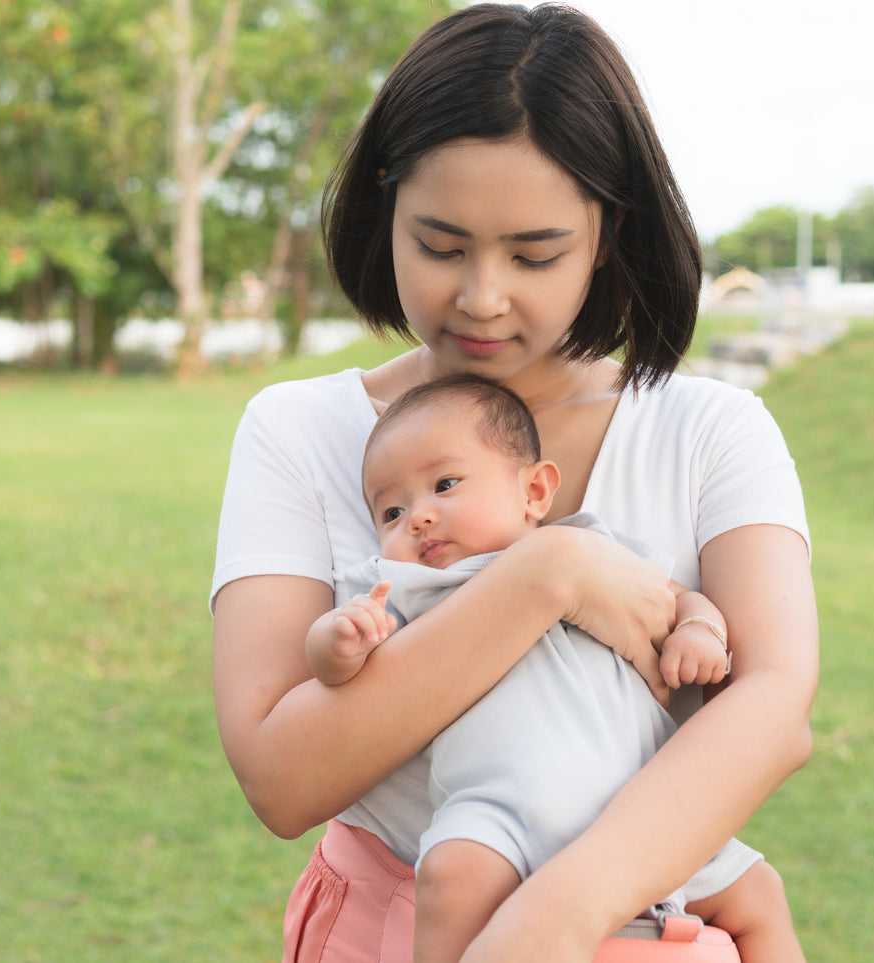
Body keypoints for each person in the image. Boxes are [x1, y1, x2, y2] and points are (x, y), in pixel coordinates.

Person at [210, 4, 818, 961]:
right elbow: (281, 780)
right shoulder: (302, 431)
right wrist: (552, 576)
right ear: (387, 209)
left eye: (535, 254)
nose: (481, 296)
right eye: (441, 246)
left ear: (607, 235)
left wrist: (554, 918)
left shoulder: (708, 431)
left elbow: (773, 712)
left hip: (648, 928)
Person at [306, 373, 800, 963]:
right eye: (391, 510)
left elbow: (677, 599)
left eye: (444, 484)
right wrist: (339, 644)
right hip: (503, 804)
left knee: (760, 895)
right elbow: (333, 669)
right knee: (452, 873)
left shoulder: (595, 549)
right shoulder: (409, 587)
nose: (419, 517)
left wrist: (700, 629)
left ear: (535, 491)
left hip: (645, 807)